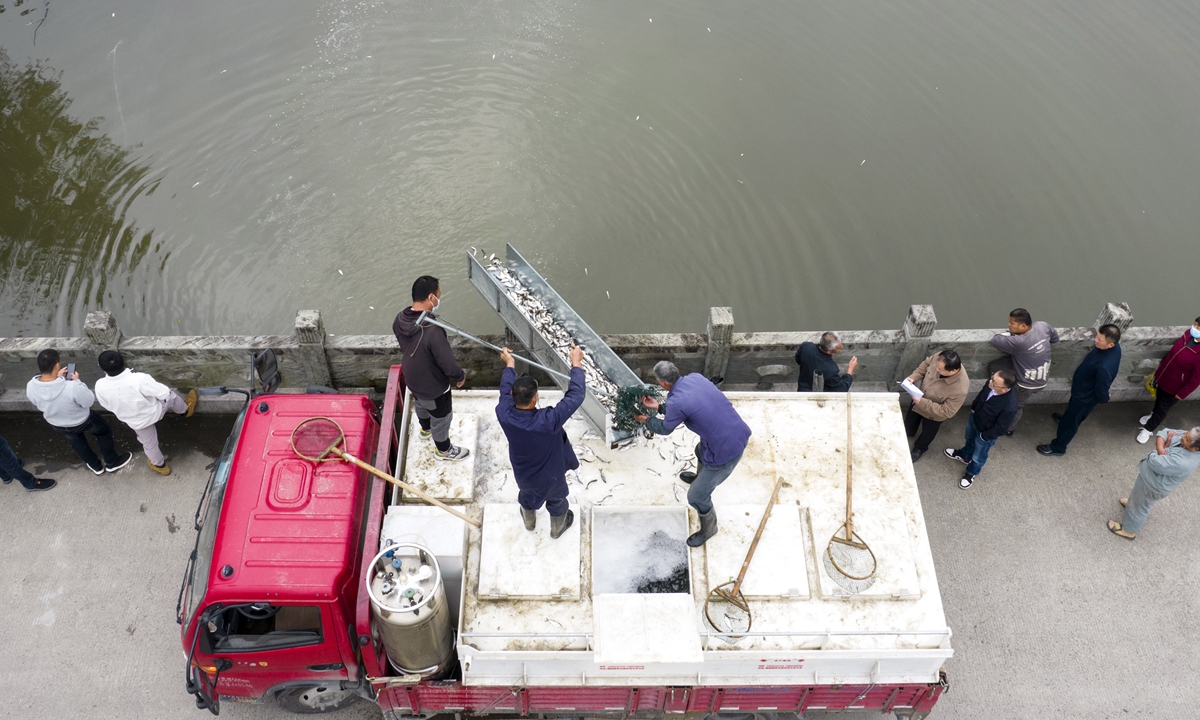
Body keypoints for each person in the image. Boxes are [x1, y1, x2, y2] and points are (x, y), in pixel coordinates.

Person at [634, 361, 752, 547]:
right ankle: (700, 477)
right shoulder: (696, 378)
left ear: (662, 384)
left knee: (696, 497)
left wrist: (646, 419)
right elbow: (687, 406)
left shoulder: (676, 401)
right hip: (737, 431)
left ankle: (709, 529)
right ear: (677, 371)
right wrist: (659, 407)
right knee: (699, 449)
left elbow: (665, 429)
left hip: (726, 451)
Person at [495, 345, 586, 539]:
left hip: (524, 473)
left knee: (527, 496)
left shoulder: (504, 413)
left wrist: (510, 365)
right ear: (536, 398)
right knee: (557, 500)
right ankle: (557, 529)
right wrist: (576, 363)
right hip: (551, 475)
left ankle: (529, 522)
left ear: (513, 396)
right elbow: (575, 396)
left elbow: (504, 392)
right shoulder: (547, 421)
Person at [392, 275, 470, 461]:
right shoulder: (433, 330)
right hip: (433, 386)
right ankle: (443, 450)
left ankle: (425, 429)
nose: (439, 299)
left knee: (421, 404)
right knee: (442, 417)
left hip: (412, 379)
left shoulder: (400, 319)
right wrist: (459, 375)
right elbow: (447, 362)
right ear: (430, 298)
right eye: (438, 295)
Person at [26, 348, 133, 475]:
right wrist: (77, 381)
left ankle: (96, 466)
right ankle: (112, 462)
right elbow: (88, 401)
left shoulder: (31, 386)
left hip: (57, 423)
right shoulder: (72, 386)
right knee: (103, 432)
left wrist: (58, 378)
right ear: (57, 365)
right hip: (82, 420)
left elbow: (39, 402)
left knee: (77, 442)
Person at [94, 350, 197, 476]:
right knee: (170, 395)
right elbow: (163, 392)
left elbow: (106, 405)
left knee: (149, 444)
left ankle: (160, 466)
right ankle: (185, 411)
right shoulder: (139, 379)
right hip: (156, 412)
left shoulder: (100, 386)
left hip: (136, 422)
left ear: (104, 370)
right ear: (123, 362)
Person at [1037, 325, 1122, 456]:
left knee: (1072, 422)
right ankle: (1066, 419)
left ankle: (1058, 447)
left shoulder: (1104, 367)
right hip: (1082, 389)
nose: (1095, 341)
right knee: (1072, 415)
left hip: (1084, 397)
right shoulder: (1114, 349)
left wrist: (1105, 398)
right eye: (1097, 337)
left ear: (1110, 344)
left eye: (1100, 340)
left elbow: (1102, 387)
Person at [1108, 427, 1200, 540]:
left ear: (1196, 448)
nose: (1182, 436)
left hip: (1153, 486)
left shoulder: (1184, 462)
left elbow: (1153, 461)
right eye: (1185, 434)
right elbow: (1165, 431)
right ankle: (1133, 504)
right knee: (1138, 499)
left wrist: (1160, 448)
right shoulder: (1192, 437)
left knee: (1140, 508)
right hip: (1150, 479)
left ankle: (1128, 531)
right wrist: (1162, 450)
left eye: (1186, 439)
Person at [988, 308, 1058, 435]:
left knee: (1015, 406)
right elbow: (1055, 339)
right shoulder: (1043, 326)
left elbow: (995, 340)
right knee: (997, 365)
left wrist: (1010, 334)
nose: (1008, 325)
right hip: (1042, 378)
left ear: (1023, 326)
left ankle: (1009, 429)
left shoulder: (1019, 341)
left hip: (1026, 385)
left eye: (1011, 323)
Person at [944, 369, 1018, 489]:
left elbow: (1001, 428)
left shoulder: (1010, 406)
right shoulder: (992, 383)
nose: (990, 382)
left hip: (986, 432)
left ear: (1005, 389)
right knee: (969, 438)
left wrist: (985, 436)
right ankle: (965, 455)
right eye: (992, 378)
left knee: (979, 456)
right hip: (975, 418)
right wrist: (973, 408)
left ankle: (971, 473)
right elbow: (981, 395)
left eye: (994, 383)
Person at [1136, 317, 1200, 444]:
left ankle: (1148, 429)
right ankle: (1152, 415)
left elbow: (1197, 378)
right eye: (1195, 324)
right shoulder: (1188, 334)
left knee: (1163, 409)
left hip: (1176, 387)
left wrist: (1182, 393)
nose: (1195, 328)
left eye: (1198, 327)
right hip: (1164, 376)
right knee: (1159, 399)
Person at [902, 350, 969, 463]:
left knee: (928, 433)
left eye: (940, 369)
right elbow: (926, 364)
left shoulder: (960, 388)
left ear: (953, 370)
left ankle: (920, 448)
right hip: (918, 398)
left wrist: (922, 402)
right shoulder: (940, 357)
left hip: (933, 415)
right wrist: (914, 377)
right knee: (910, 420)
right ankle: (908, 432)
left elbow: (947, 412)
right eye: (937, 367)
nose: (936, 370)